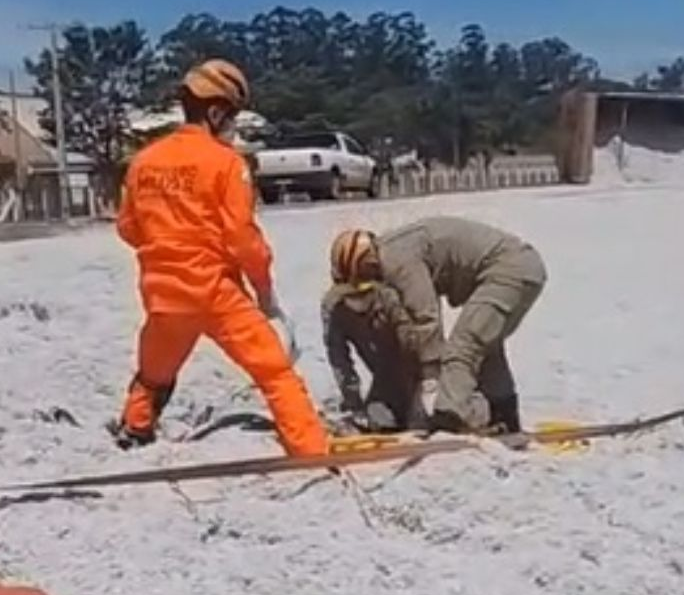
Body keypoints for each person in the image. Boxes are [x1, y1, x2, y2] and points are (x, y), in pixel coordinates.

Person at [112, 59, 328, 456]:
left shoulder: (143, 163)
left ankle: (135, 429)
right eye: (231, 118)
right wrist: (265, 294)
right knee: (274, 371)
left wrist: (165, 248)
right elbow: (243, 239)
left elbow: (127, 227)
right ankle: (311, 449)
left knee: (153, 374)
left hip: (161, 292)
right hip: (214, 291)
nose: (233, 128)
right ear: (215, 112)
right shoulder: (227, 163)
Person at [328, 217, 547, 434]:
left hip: (509, 271)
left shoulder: (396, 261)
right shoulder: (392, 251)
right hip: (520, 267)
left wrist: (431, 378)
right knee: (485, 344)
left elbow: (425, 315)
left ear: (367, 264)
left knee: (463, 348)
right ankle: (504, 414)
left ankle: (449, 417)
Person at [321, 273, 425, 433]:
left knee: (424, 419)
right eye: (351, 295)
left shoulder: (390, 297)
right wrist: (353, 402)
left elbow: (414, 343)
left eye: (364, 294)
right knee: (378, 418)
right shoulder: (334, 308)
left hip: (418, 373)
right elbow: (339, 360)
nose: (359, 301)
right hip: (384, 379)